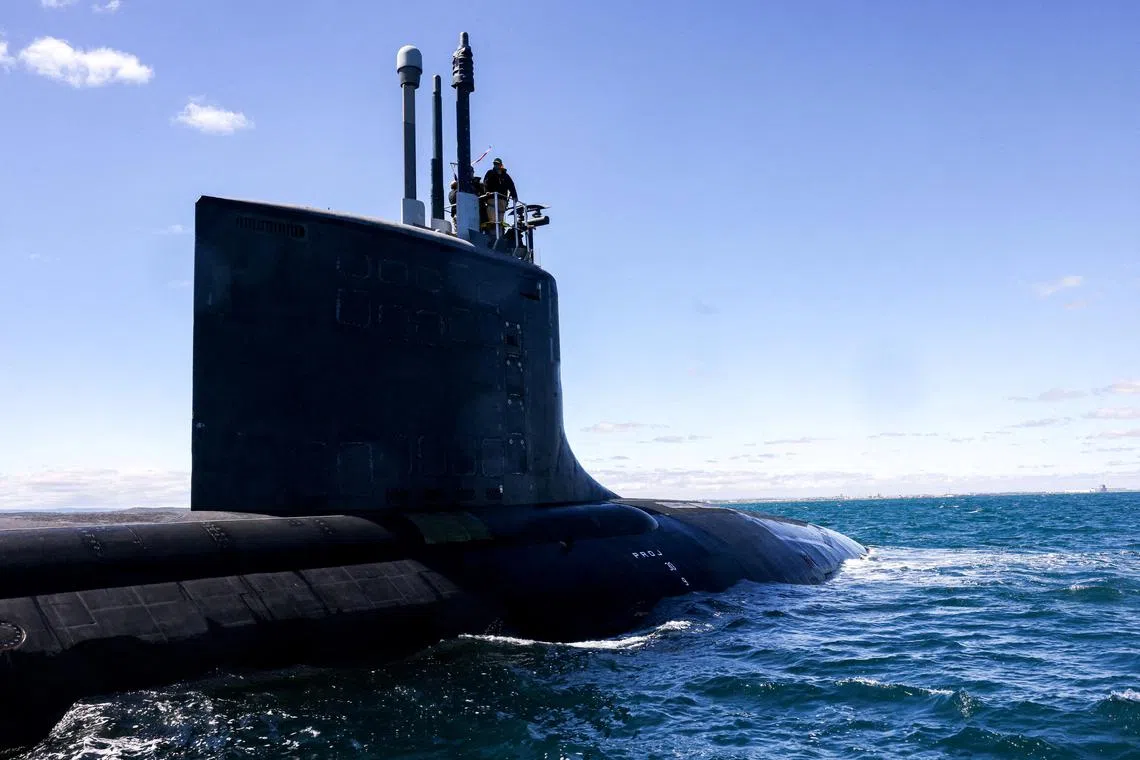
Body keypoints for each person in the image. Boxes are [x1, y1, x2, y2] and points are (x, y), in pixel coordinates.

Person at [482, 158, 517, 230]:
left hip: (502, 198)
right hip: (492, 197)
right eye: (495, 164)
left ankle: (500, 228)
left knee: (501, 214)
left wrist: (515, 196)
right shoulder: (490, 173)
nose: (496, 165)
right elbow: (485, 183)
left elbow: (511, 186)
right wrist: (486, 192)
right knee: (492, 211)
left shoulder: (506, 176)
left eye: (497, 164)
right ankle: (493, 227)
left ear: (501, 165)